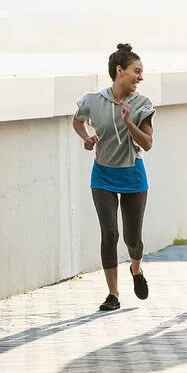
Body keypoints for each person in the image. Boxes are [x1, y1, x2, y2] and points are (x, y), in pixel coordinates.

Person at [73, 43, 156, 311]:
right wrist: (87, 138)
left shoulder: (142, 103)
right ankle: (113, 294)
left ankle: (136, 269)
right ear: (119, 71)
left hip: (133, 176)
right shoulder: (92, 101)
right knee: (109, 234)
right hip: (103, 176)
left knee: (133, 240)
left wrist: (129, 122)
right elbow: (77, 120)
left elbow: (147, 143)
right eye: (137, 71)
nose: (140, 77)